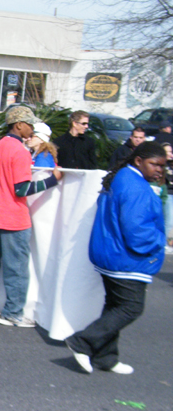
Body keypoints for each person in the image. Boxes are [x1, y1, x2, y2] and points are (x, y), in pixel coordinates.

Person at [65, 142, 167, 375]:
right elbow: (137, 233)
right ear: (139, 161)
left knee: (115, 306)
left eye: (163, 165)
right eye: (155, 164)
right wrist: (160, 239)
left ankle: (106, 358)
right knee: (131, 308)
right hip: (125, 259)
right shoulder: (136, 187)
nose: (160, 169)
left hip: (111, 254)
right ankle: (82, 341)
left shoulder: (123, 177)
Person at [0, 105, 63, 327]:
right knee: (16, 269)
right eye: (30, 124)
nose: (32, 129)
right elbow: (21, 189)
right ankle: (13, 313)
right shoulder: (20, 151)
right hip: (14, 218)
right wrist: (53, 180)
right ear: (19, 125)